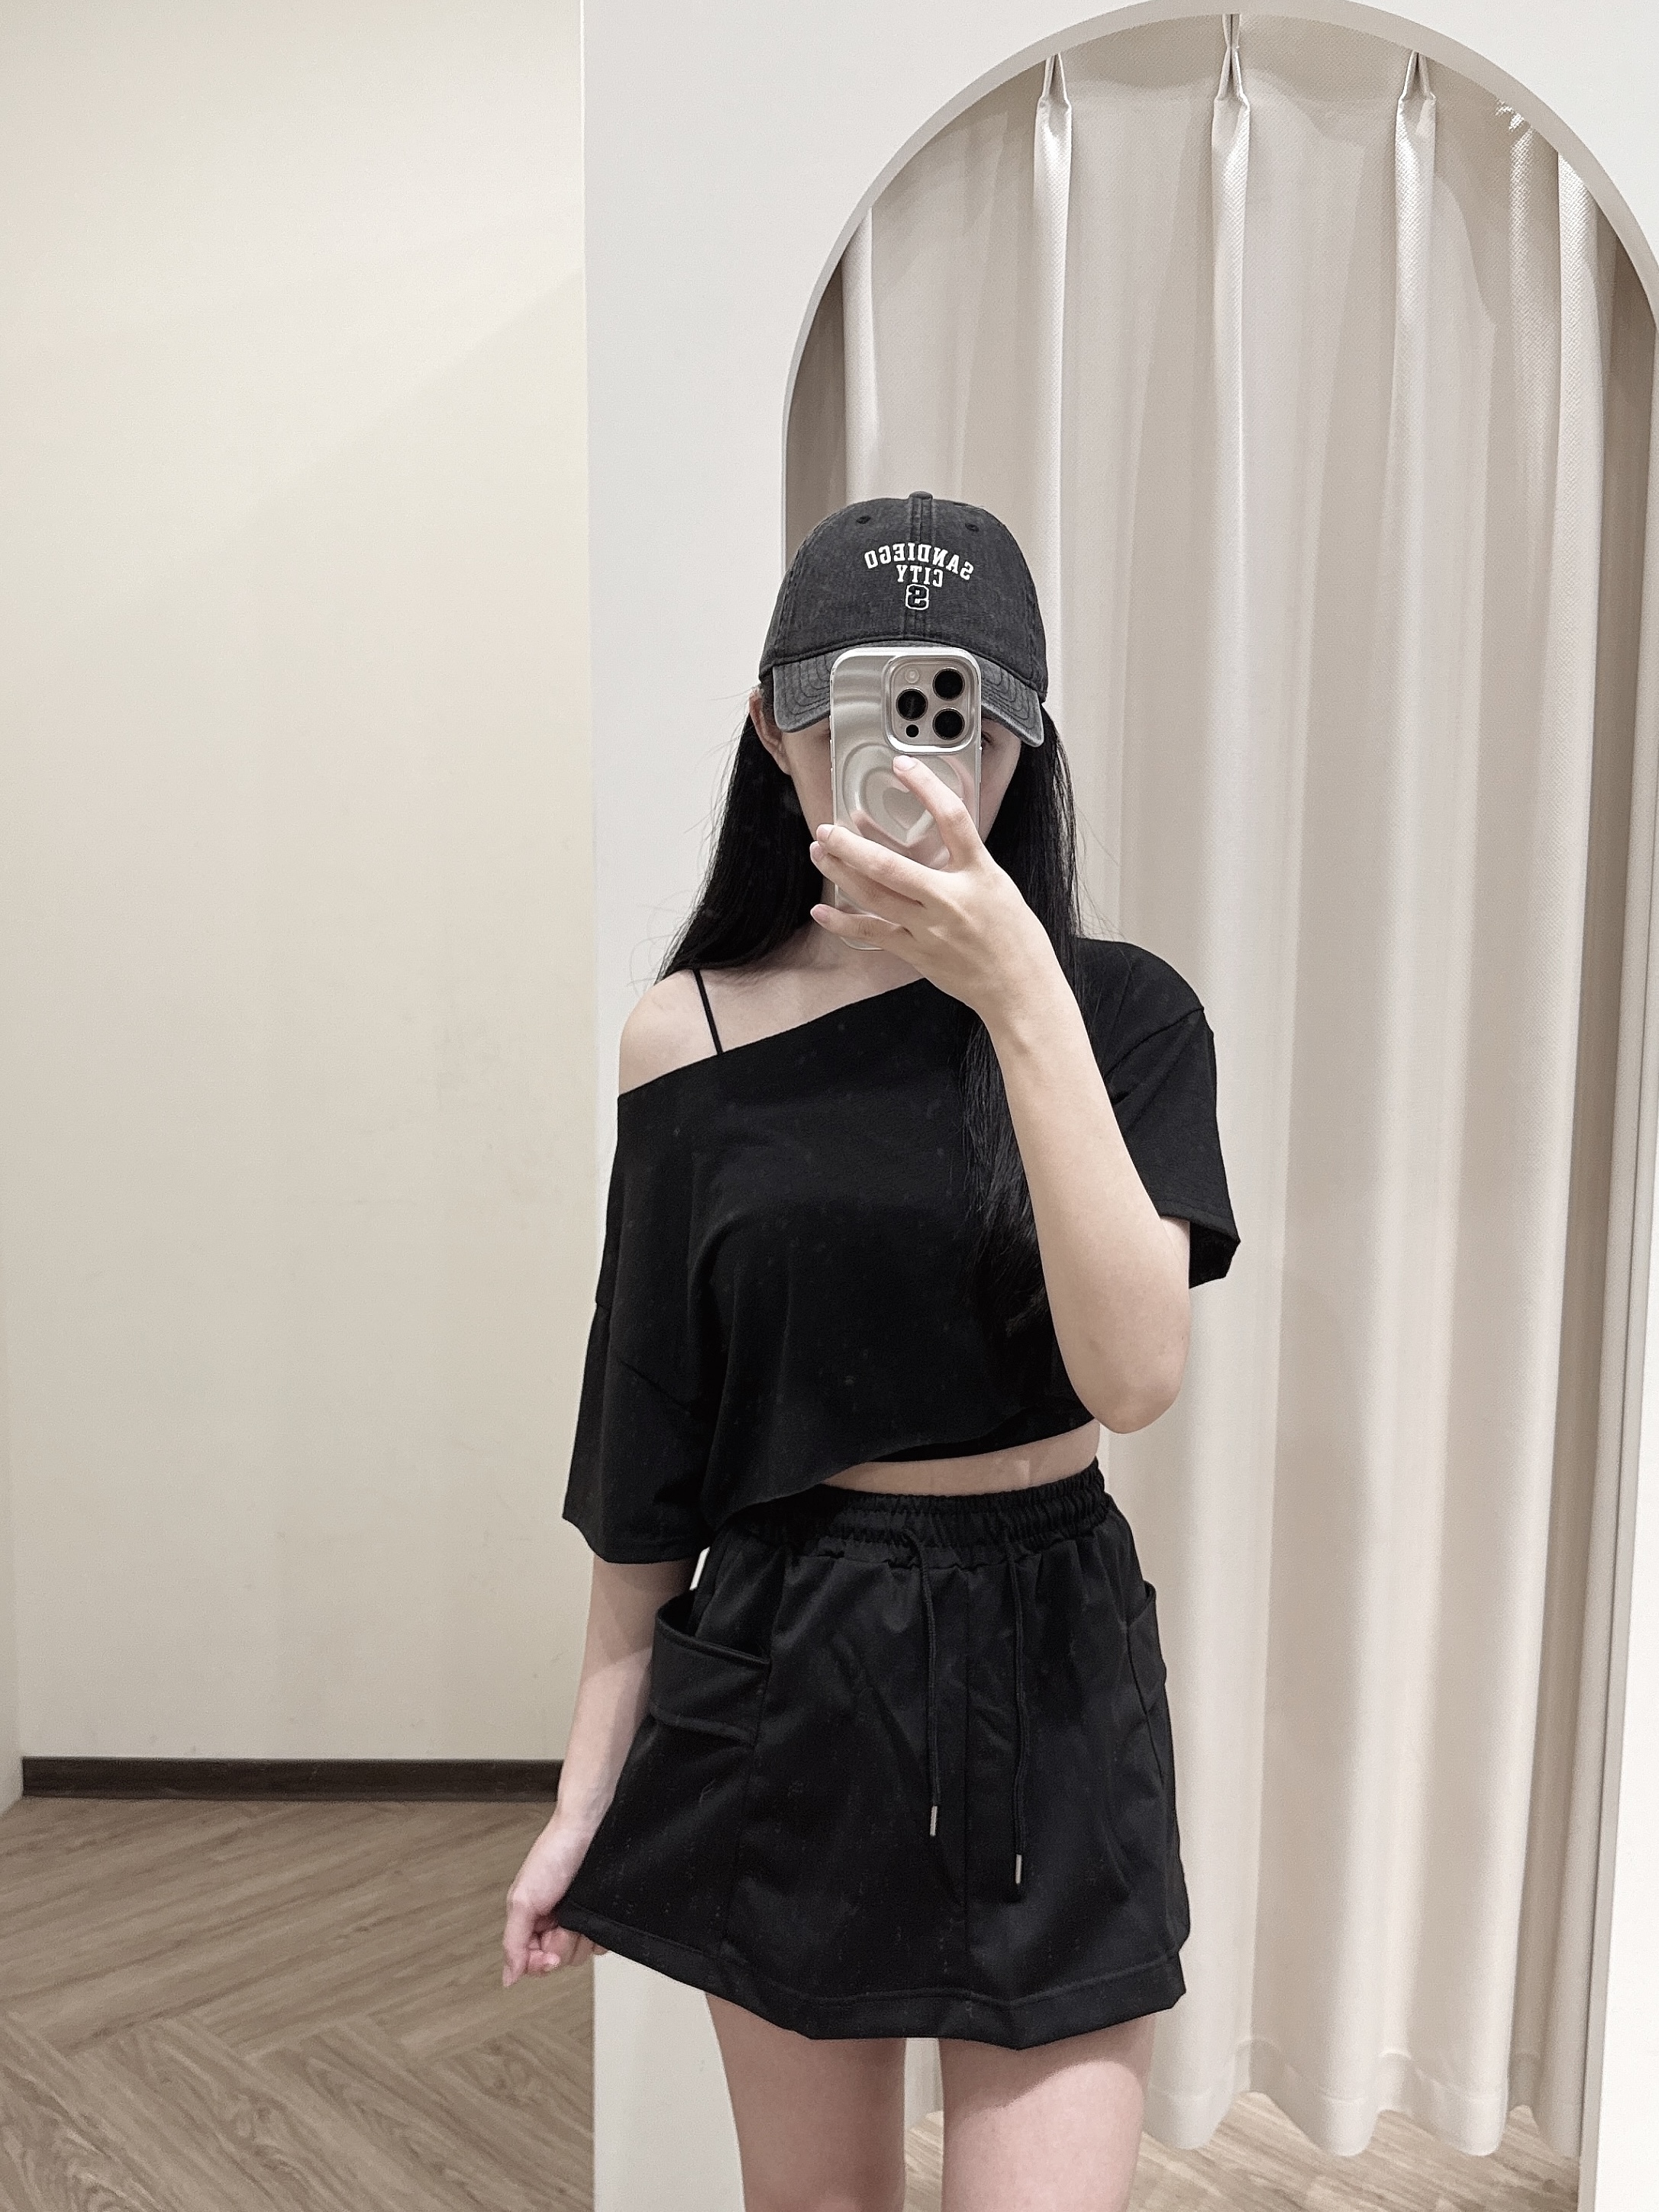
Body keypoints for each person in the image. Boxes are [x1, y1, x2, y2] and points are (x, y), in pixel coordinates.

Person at [502, 492, 1239, 2212]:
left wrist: (1018, 991)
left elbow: (1131, 1374)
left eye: (959, 707)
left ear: (1023, 742)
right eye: (863, 699)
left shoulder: (1122, 1016)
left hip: (1052, 1651)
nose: (918, 750)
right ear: (777, 731)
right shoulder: (687, 1036)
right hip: (789, 1652)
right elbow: (646, 1447)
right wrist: (583, 1793)